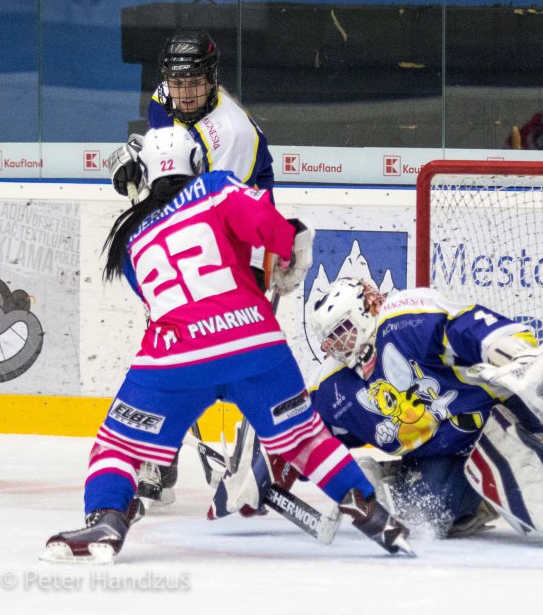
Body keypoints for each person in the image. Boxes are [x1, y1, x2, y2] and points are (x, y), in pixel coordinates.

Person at [41, 129, 411, 562]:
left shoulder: (131, 242)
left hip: (175, 358)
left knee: (118, 446)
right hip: (255, 344)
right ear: (196, 162)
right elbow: (268, 227)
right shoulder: (214, 187)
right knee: (304, 437)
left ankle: (107, 517)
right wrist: (290, 246)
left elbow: (163, 299)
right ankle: (373, 515)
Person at [295, 278, 543, 551]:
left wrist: (513, 352)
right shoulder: (333, 386)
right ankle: (415, 483)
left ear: (367, 308)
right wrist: (271, 467)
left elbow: (468, 326)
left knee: (521, 459)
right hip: (447, 453)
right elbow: (300, 431)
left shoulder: (405, 320)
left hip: (505, 415)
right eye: (329, 340)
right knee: (423, 514)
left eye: (341, 331)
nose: (336, 346)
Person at [106, 29, 276, 505]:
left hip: (244, 241)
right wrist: (134, 161)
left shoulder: (231, 133)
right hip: (191, 239)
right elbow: (162, 155)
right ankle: (159, 463)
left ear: (212, 78)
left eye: (194, 83)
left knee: (231, 356)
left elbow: (211, 208)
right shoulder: (166, 97)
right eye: (177, 83)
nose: (183, 94)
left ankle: (271, 452)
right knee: (170, 348)